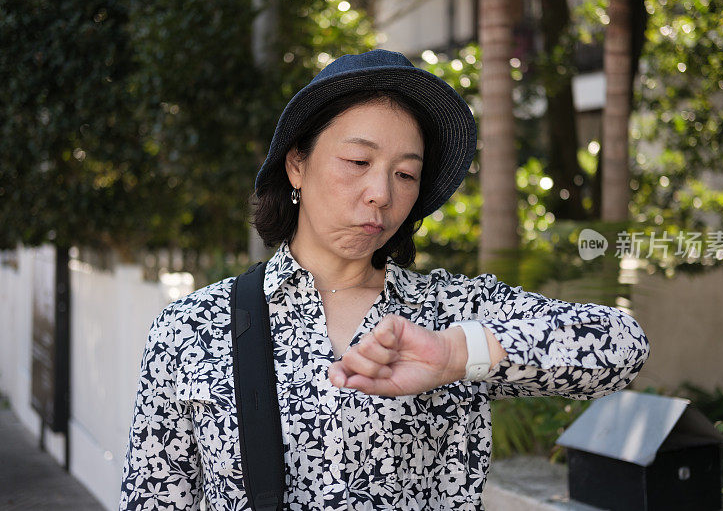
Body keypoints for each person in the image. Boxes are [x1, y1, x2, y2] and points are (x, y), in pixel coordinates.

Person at [118, 49, 651, 511]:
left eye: (405, 174)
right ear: (296, 165)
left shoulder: (451, 311)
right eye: (357, 160)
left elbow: (623, 347)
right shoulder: (192, 329)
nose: (380, 193)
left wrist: (456, 356)